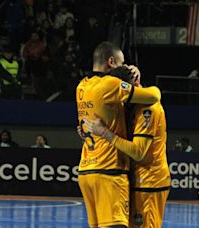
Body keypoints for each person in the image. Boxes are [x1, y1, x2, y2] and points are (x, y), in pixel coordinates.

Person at [76, 41, 161, 228]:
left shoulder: (82, 86)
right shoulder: (110, 85)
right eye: (123, 64)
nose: (126, 68)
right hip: (109, 171)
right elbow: (153, 97)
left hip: (86, 171)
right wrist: (136, 76)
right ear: (111, 62)